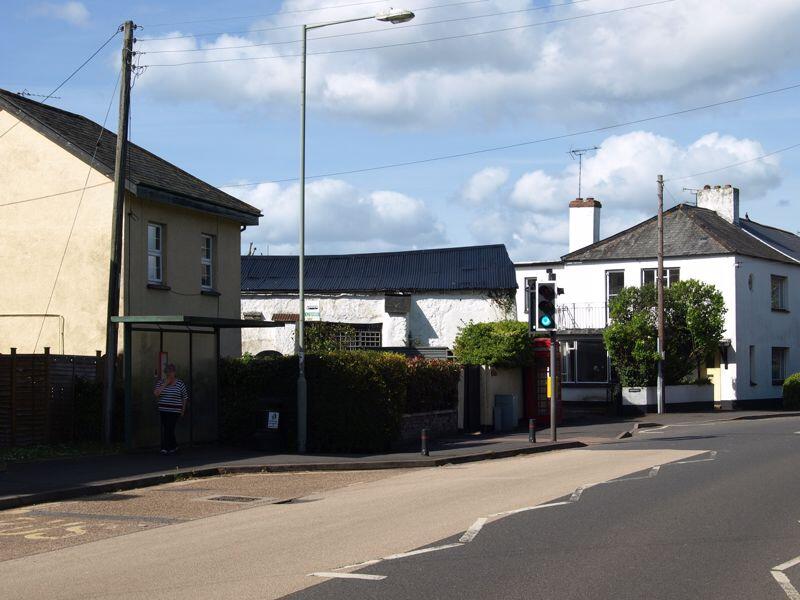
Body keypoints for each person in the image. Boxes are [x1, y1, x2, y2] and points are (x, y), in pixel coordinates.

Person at [153, 363, 188, 454]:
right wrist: (165, 384)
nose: (169, 374)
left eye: (171, 372)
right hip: (164, 410)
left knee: (169, 428)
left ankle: (165, 447)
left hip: (175, 411)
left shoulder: (180, 384)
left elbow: (184, 397)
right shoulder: (161, 382)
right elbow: (156, 393)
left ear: (174, 372)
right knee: (168, 428)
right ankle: (174, 446)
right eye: (167, 372)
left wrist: (183, 410)